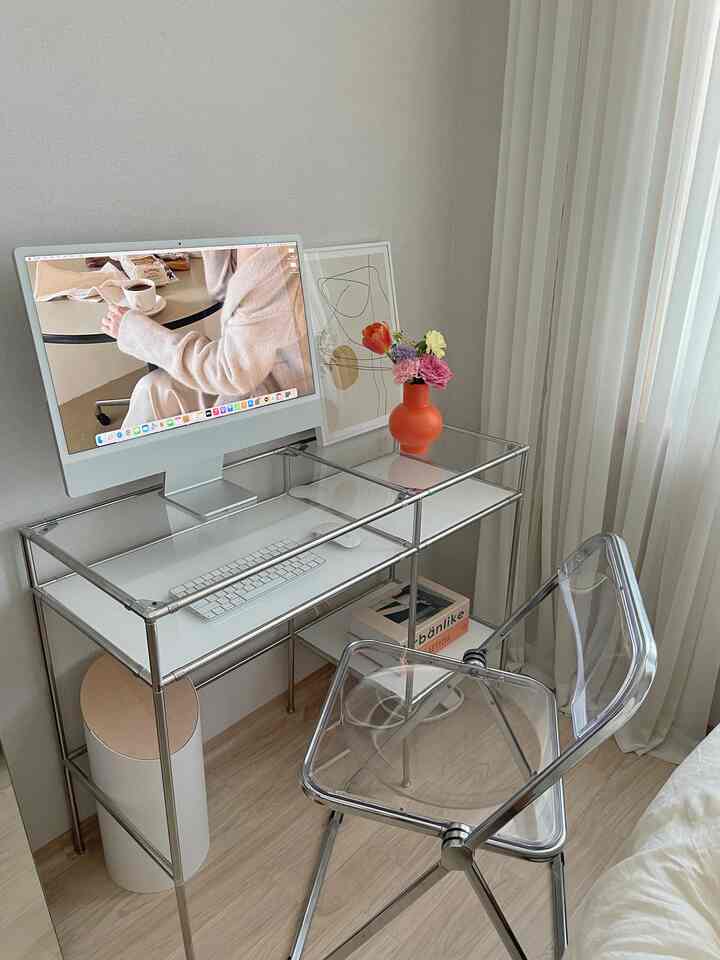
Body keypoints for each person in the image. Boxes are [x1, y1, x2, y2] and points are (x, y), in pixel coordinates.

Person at [101, 245, 313, 427]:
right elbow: (222, 289)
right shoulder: (253, 236)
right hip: (261, 370)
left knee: (153, 392)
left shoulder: (275, 257)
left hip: (283, 394)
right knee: (154, 389)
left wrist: (135, 331)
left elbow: (231, 373)